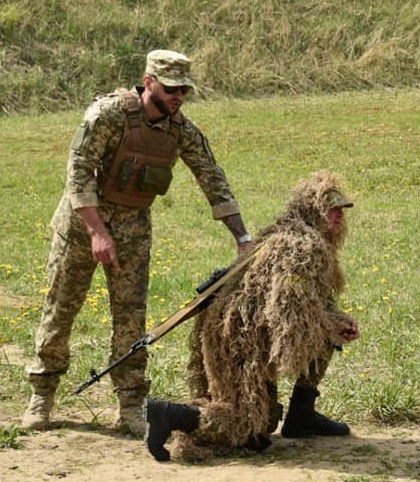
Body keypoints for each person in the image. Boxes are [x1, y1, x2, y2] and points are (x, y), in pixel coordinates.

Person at [22, 50, 253, 436]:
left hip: (132, 229)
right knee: (61, 311)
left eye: (185, 90)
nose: (179, 96)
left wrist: (242, 237)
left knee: (130, 319)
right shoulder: (107, 115)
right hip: (82, 226)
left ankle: (130, 403)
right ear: (149, 83)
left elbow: (213, 178)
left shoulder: (181, 130)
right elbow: (77, 173)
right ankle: (42, 394)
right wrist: (96, 231)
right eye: (171, 88)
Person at [144, 170, 360, 462]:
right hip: (237, 341)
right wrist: (332, 323)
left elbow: (313, 302)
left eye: (341, 210)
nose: (338, 216)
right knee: (245, 424)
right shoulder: (303, 248)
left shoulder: (299, 240)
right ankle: (169, 416)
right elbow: (291, 313)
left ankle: (302, 414)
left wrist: (337, 320)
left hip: (245, 333)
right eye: (331, 209)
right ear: (312, 210)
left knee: (264, 426)